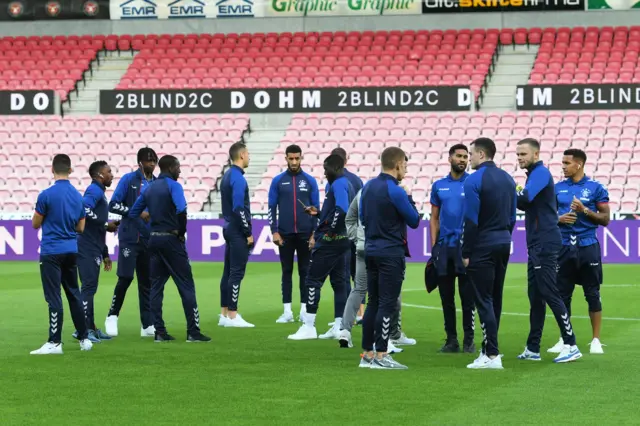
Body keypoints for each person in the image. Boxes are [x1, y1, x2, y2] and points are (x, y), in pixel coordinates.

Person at [129, 155, 210, 342]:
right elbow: (182, 210)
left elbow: (134, 213)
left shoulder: (149, 189)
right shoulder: (174, 186)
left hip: (154, 241)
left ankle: (159, 332)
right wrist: (181, 232)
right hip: (171, 240)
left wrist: (149, 228)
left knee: (156, 286)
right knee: (186, 285)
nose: (180, 171)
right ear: (171, 168)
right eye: (178, 167)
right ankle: (193, 331)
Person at [515, 138, 582, 364]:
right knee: (535, 296)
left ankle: (571, 344)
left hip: (544, 242)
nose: (520, 158)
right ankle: (533, 348)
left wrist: (507, 192)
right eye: (518, 155)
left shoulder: (541, 173)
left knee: (549, 291)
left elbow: (524, 200)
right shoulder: (534, 176)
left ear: (536, 155)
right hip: (537, 242)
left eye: (523, 154)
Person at [358, 147, 420, 369]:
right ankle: (382, 355)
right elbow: (414, 220)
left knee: (373, 302)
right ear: (397, 164)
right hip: (391, 253)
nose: (405, 168)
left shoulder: (368, 187)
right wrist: (409, 196)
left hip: (371, 250)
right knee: (387, 304)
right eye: (405, 164)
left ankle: (366, 355)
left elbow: (363, 218)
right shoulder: (396, 190)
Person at [30, 154, 93, 355]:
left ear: (52, 169)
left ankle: (55, 342)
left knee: (54, 297)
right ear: (71, 170)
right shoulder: (77, 196)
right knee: (74, 293)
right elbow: (81, 227)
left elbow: (35, 224)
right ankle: (84, 338)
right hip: (71, 250)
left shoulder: (45, 195)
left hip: (51, 251)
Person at [548, 148, 609, 355]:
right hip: (563, 246)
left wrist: (585, 210)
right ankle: (564, 339)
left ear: (579, 164)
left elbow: (605, 219)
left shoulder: (595, 188)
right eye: (562, 163)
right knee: (562, 294)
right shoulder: (557, 188)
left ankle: (596, 340)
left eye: (566, 163)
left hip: (587, 245)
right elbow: (547, 216)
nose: (563, 167)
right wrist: (559, 218)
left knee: (592, 293)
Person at [462, 138, 515, 370]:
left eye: (471, 154)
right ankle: (488, 349)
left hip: (483, 244)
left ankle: (492, 354)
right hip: (504, 241)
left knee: (483, 300)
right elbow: (513, 217)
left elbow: (471, 219)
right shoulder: (508, 178)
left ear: (481, 154)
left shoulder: (473, 180)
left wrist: (466, 251)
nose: (469, 158)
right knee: (495, 298)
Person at [338, 187, 413, 354]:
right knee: (388, 295)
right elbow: (411, 219)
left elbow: (349, 218)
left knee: (360, 290)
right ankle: (389, 337)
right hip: (383, 248)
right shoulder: (393, 191)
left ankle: (345, 330)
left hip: (363, 247)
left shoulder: (363, 191)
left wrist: (356, 238)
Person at [287, 154, 352, 341]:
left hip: (331, 243)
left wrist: (329, 231)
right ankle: (340, 326)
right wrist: (319, 214)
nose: (324, 173)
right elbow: (335, 211)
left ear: (335, 167)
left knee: (313, 280)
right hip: (343, 242)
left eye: (326, 169)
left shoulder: (338, 184)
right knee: (339, 282)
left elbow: (341, 210)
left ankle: (309, 326)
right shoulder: (346, 183)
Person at [104, 147, 157, 337]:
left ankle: (147, 324)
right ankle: (112, 316)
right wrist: (137, 212)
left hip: (148, 238)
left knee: (146, 281)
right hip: (129, 236)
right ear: (140, 162)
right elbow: (114, 204)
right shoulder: (129, 179)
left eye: (154, 160)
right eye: (148, 160)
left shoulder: (157, 183)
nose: (152, 163)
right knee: (125, 278)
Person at [430, 144, 475, 353]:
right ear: (450, 158)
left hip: (465, 249)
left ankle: (469, 341)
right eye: (459, 156)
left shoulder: (473, 183)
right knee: (446, 298)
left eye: (466, 156)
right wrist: (434, 247)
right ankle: (451, 340)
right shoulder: (439, 185)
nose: (463, 160)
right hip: (445, 249)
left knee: (468, 298)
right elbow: (434, 218)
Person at [268, 144, 319, 324]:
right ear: (286, 158)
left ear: (301, 158)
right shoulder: (278, 181)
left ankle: (304, 310)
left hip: (306, 234)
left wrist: (314, 234)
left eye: (297, 158)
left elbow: (317, 210)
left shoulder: (310, 181)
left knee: (305, 272)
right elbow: (271, 208)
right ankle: (287, 311)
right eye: (291, 158)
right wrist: (274, 231)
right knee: (286, 271)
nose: (294, 161)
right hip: (285, 234)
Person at [73, 161, 119, 342]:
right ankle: (83, 331)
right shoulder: (94, 191)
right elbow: (83, 208)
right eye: (109, 172)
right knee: (88, 289)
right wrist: (104, 223)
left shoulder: (99, 192)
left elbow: (97, 229)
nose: (112, 175)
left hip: (93, 247)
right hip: (86, 248)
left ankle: (90, 327)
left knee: (90, 289)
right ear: (100, 175)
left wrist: (105, 253)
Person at [219, 142, 255, 328]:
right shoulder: (238, 179)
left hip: (228, 227)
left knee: (228, 271)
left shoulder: (226, 176)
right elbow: (239, 207)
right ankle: (233, 315)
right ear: (241, 155)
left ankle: (224, 314)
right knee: (236, 272)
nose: (249, 156)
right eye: (247, 153)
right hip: (237, 230)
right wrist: (247, 232)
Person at [329, 147, 363, 322]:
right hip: (356, 232)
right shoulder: (357, 180)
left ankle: (345, 315)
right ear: (346, 160)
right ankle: (359, 313)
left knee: (341, 276)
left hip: (340, 234)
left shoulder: (335, 180)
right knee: (357, 274)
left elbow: (337, 208)